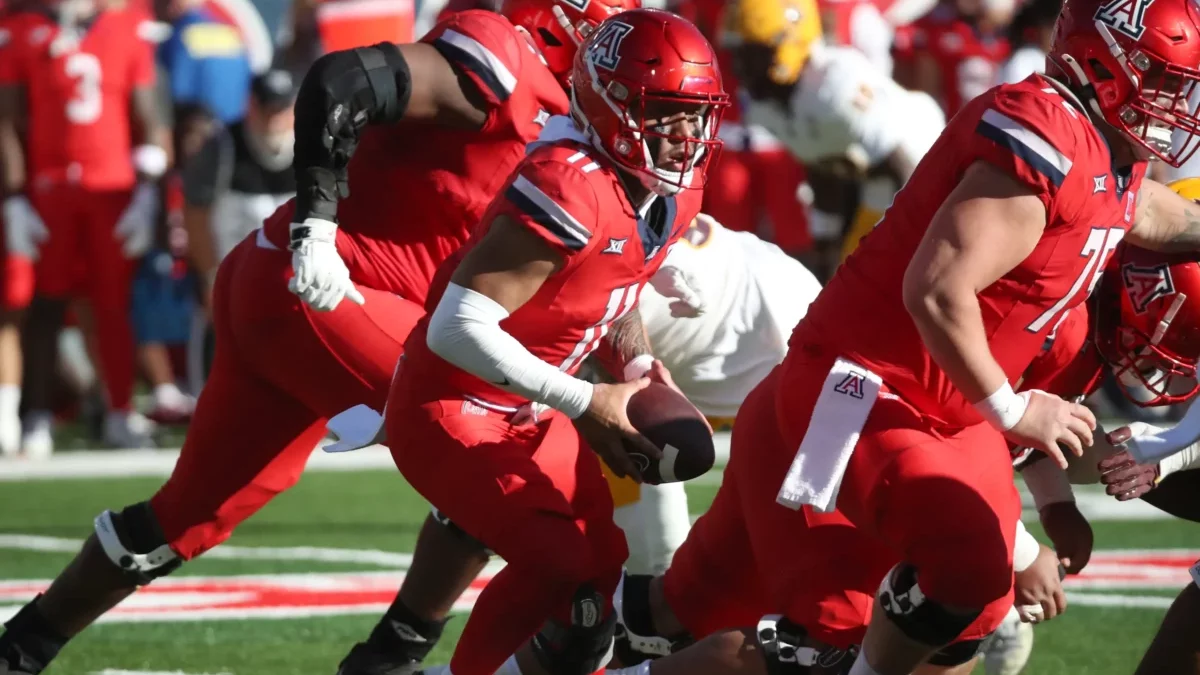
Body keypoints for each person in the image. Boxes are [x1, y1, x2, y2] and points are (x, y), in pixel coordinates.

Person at [0, 0, 629, 670]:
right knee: (520, 461)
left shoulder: (585, 123)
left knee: (182, 519)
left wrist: (634, 359)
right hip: (323, 289)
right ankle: (394, 655)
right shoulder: (503, 56)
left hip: (292, 290)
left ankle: (19, 650)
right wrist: (318, 229)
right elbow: (340, 81)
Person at [605, 0, 1200, 671]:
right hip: (856, 391)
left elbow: (1142, 207)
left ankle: (587, 643)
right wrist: (1012, 410)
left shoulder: (1102, 158)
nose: (1176, 103)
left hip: (928, 408)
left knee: (966, 598)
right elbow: (936, 288)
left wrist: (1050, 502)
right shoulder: (1050, 141)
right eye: (1165, 80)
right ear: (1103, 63)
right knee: (834, 635)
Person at [381, 12, 726, 675]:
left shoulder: (667, 189)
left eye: (697, 114)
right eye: (669, 115)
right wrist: (585, 398)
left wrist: (642, 364)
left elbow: (617, 292)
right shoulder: (570, 180)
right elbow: (458, 326)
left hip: (531, 405)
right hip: (452, 404)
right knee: (561, 562)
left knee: (600, 576)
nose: (688, 137)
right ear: (613, 103)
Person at [0, 0, 171, 456]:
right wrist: (16, 196)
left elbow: (149, 116)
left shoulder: (127, 27)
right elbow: (8, 120)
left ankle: (119, 410)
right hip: (50, 188)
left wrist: (148, 191)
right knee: (43, 304)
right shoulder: (23, 30)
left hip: (111, 190)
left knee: (112, 306)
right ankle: (34, 415)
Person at [722, 0, 945, 274]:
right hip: (874, 178)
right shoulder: (764, 106)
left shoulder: (835, 87)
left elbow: (906, 169)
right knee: (848, 275)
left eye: (753, 54)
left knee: (884, 275)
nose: (739, 68)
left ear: (791, 46)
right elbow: (822, 163)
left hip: (925, 165)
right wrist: (825, 243)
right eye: (737, 54)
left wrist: (922, 246)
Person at [182, 68, 297, 393]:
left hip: (295, 273)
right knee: (224, 346)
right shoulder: (223, 146)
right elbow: (195, 211)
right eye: (267, 109)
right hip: (234, 270)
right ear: (251, 106)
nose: (274, 118)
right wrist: (208, 274)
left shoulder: (313, 142)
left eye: (282, 109)